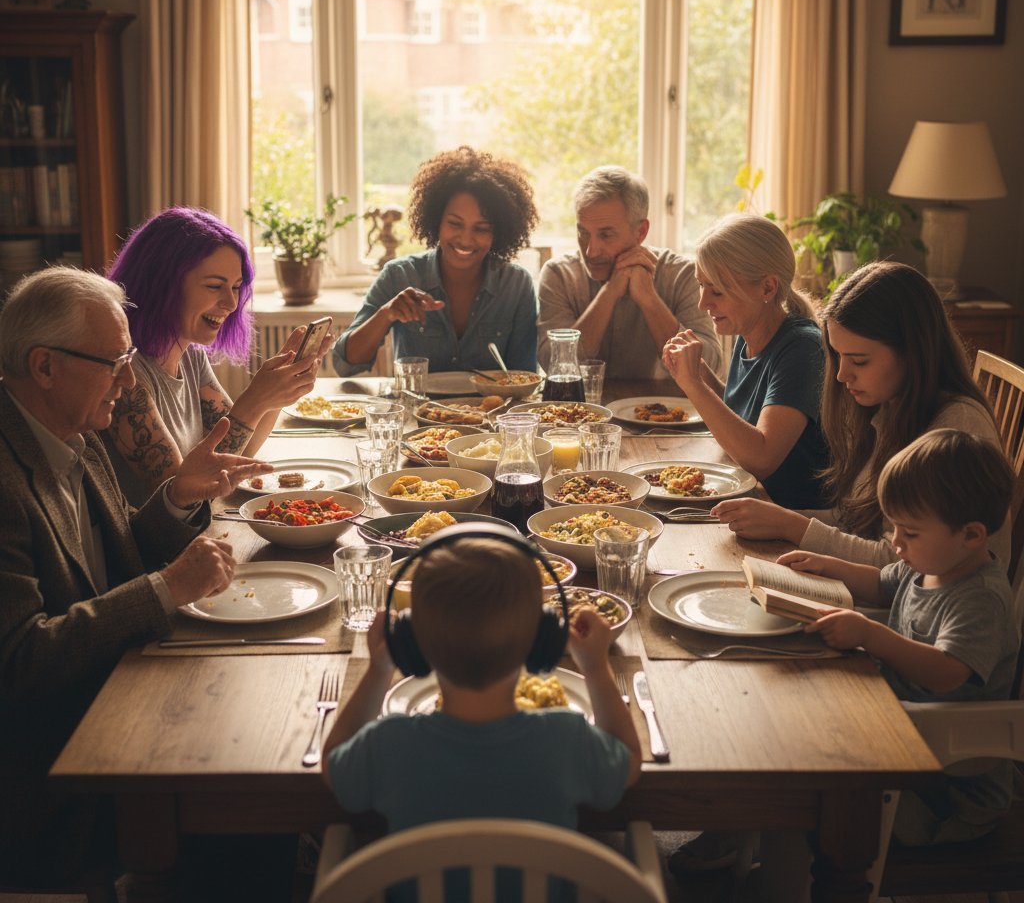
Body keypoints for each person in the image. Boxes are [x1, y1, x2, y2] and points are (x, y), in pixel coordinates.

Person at [0, 267, 269, 881]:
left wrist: (177, 497)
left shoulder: (73, 424)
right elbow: (17, 661)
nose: (128, 381)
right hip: (55, 754)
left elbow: (119, 549)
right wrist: (165, 589)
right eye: (114, 362)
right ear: (44, 366)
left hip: (122, 680)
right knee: (249, 801)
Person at [322, 531, 641, 884]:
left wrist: (379, 669)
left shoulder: (388, 744)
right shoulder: (568, 739)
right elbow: (629, 762)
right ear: (541, 641)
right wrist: (596, 668)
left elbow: (333, 767)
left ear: (411, 642)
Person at [779, 428, 1019, 845]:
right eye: (894, 528)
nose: (896, 542)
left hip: (947, 785)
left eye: (909, 532)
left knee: (816, 801)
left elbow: (947, 673)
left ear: (971, 535)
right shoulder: (931, 562)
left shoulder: (980, 598)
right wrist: (826, 565)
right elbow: (879, 584)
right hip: (901, 730)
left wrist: (871, 635)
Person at [710, 261, 1011, 568]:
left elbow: (899, 564)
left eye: (860, 361)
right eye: (838, 356)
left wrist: (791, 526)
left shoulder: (954, 431)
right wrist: (781, 518)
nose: (842, 375)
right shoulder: (889, 404)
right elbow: (855, 518)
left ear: (913, 352)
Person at [104, 206, 331, 505]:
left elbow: (239, 450)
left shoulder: (190, 354)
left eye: (236, 287)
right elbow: (186, 497)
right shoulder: (124, 373)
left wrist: (277, 392)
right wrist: (255, 399)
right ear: (162, 283)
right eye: (214, 286)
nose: (232, 303)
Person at [661, 213, 827, 509]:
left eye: (717, 290)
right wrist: (701, 375)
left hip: (793, 516)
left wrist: (694, 386)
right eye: (701, 286)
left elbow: (761, 458)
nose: (703, 303)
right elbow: (742, 418)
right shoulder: (747, 331)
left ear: (767, 288)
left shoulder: (802, 347)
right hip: (751, 499)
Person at [333, 146, 540, 376]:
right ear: (436, 221)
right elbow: (344, 364)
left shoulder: (516, 285)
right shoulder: (399, 275)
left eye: (481, 228)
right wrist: (386, 314)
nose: (466, 239)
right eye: (455, 224)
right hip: (414, 400)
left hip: (492, 402)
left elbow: (525, 375)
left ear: (498, 232)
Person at [537, 165, 721, 380]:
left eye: (606, 235)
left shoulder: (682, 275)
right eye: (583, 233)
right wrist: (609, 293)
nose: (591, 251)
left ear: (640, 232)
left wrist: (649, 299)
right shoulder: (559, 275)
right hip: (582, 403)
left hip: (664, 403)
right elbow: (552, 364)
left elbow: (710, 366)